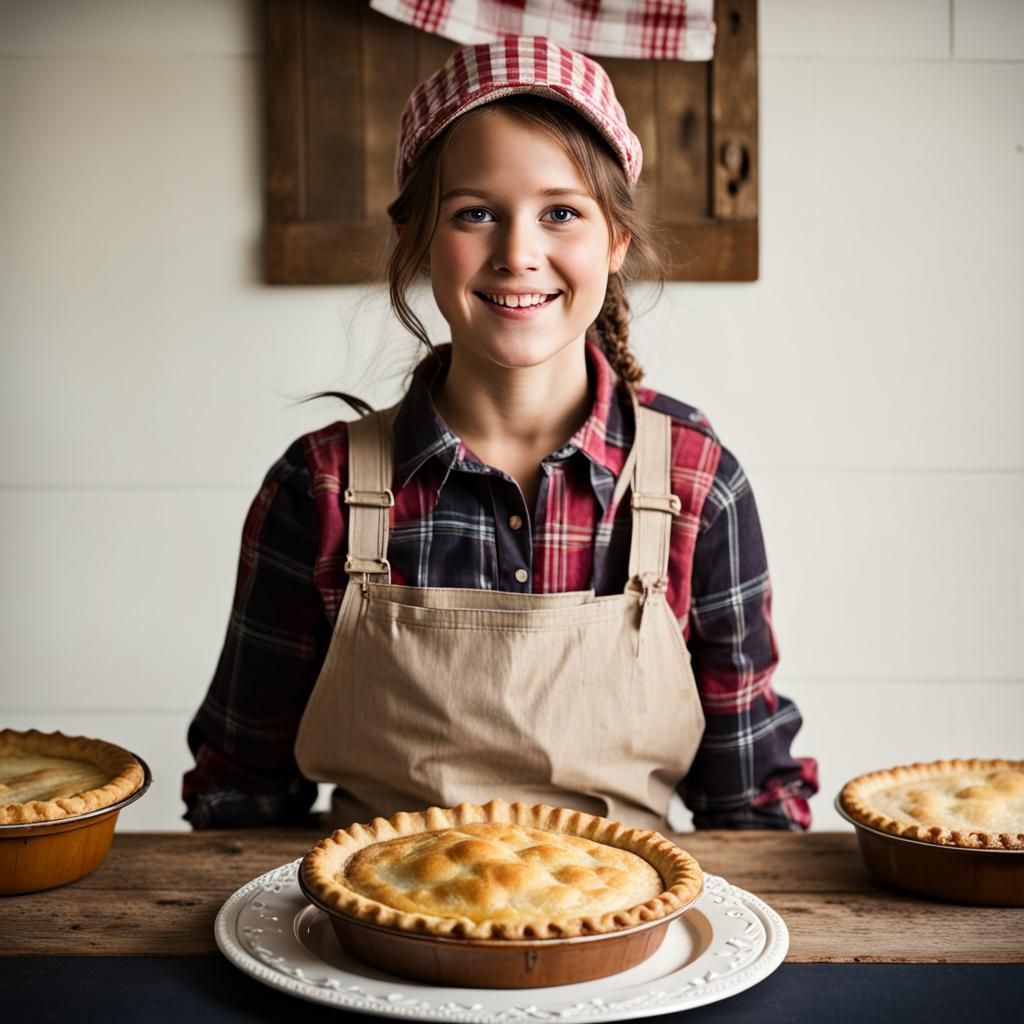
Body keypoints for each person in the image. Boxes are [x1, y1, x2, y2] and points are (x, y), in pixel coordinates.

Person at [182, 37, 818, 832]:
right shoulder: (320, 488)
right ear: (420, 238)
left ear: (615, 241)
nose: (519, 253)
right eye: (475, 213)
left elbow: (751, 805)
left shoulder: (694, 482)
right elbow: (240, 795)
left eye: (561, 212)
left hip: (629, 947)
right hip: (372, 946)